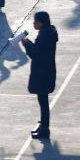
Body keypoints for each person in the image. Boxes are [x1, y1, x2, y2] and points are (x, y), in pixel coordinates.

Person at [22, 11, 59, 141]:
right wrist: (30, 43)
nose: (34, 23)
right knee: (42, 101)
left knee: (43, 102)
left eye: (36, 21)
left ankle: (45, 128)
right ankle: (43, 125)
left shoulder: (45, 36)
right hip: (46, 71)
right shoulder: (48, 33)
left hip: (43, 73)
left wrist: (27, 45)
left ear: (41, 23)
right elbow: (39, 50)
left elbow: (36, 55)